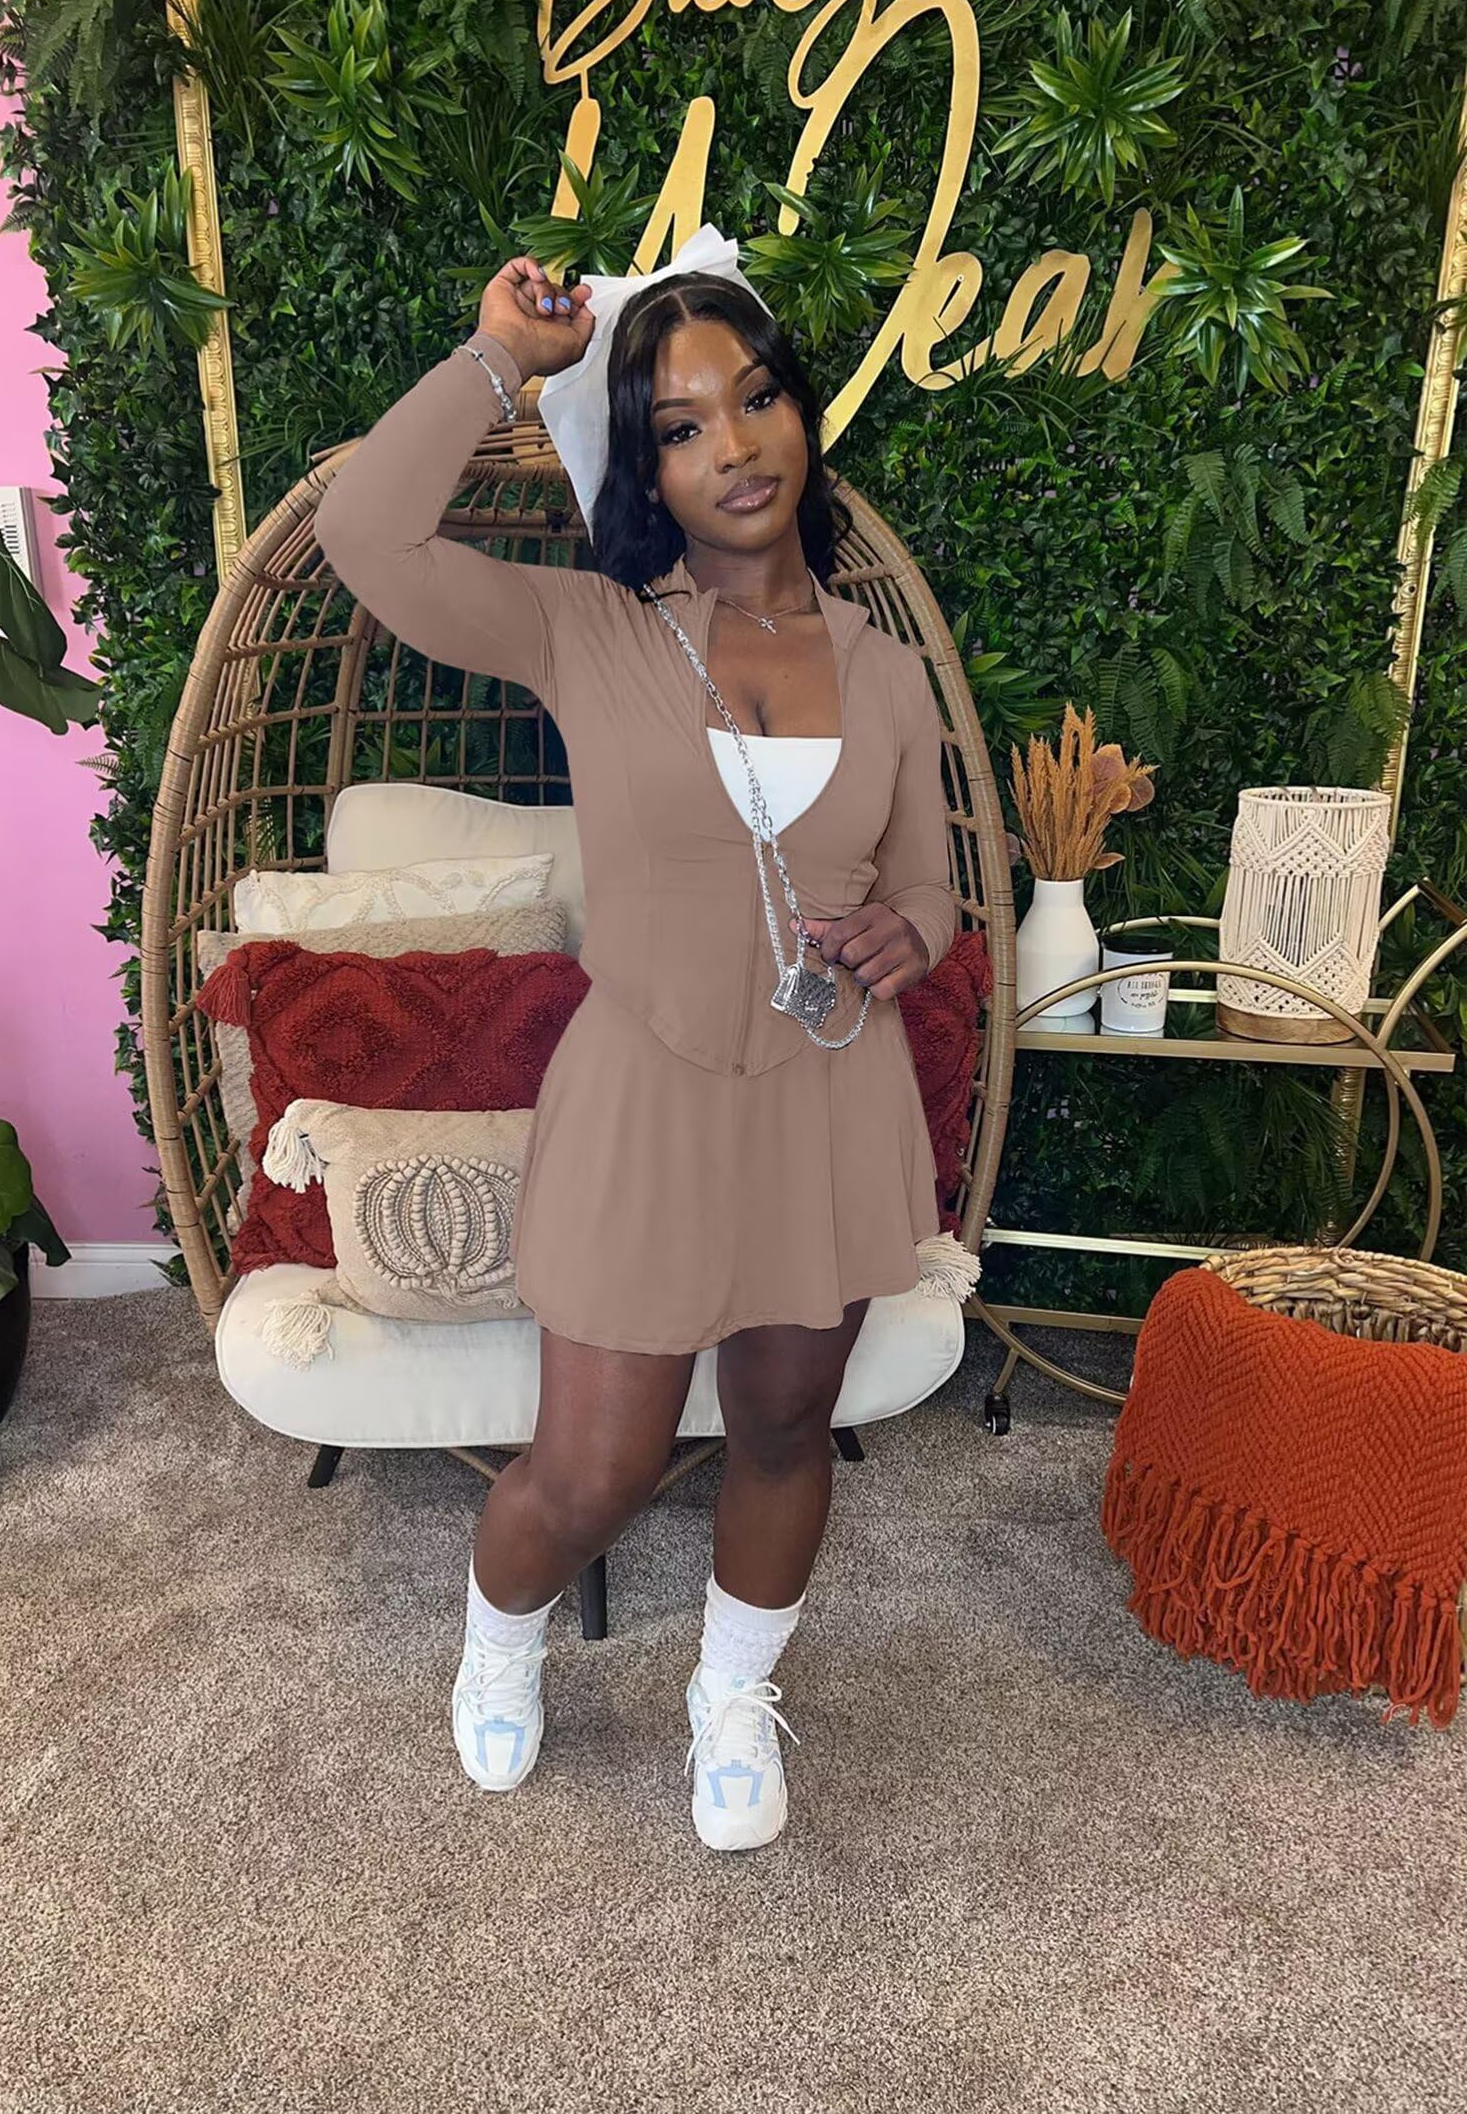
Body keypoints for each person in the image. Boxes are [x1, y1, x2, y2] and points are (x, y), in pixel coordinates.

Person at [312, 241, 958, 1852]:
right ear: (646, 468)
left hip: (827, 1097)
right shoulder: (585, 630)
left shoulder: (888, 674)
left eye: (756, 397)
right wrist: (497, 361)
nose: (732, 445)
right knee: (591, 1470)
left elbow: (931, 888)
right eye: (679, 425)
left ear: (802, 414)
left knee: (787, 1425)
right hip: (644, 1099)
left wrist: (913, 933)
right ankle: (499, 1634)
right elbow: (363, 533)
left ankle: (732, 1693)